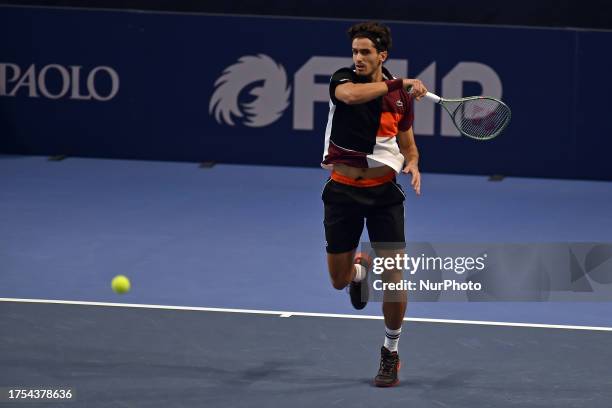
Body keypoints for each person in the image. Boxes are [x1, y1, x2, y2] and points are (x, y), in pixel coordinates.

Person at [321, 21, 427, 387]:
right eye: (355, 52)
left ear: (382, 55)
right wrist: (400, 83)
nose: (358, 58)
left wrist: (412, 161)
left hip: (384, 196)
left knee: (395, 280)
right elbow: (351, 97)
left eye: (365, 52)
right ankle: (358, 272)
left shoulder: (398, 99)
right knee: (338, 281)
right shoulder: (342, 80)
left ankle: (390, 353)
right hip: (342, 192)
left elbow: (407, 143)